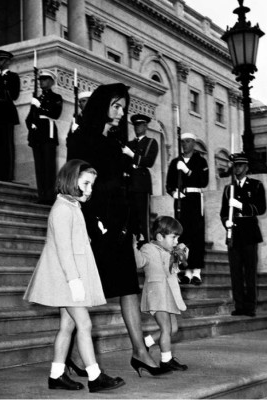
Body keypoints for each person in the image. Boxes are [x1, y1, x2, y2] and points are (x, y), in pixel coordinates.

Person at [70, 83, 170, 376]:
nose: (121, 112)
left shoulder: (115, 141)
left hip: (120, 224)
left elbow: (128, 186)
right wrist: (94, 223)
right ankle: (73, 356)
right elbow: (77, 184)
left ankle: (140, 352)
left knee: (128, 287)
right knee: (87, 291)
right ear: (102, 106)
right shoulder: (82, 139)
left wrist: (134, 225)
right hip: (96, 224)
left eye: (123, 107)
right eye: (116, 106)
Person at [24, 159, 125, 393]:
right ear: (71, 181)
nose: (90, 190)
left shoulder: (71, 207)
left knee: (67, 325)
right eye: (86, 184)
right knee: (85, 323)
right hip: (66, 278)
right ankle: (95, 375)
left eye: (92, 185)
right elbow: (63, 249)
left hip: (69, 277)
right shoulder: (62, 209)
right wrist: (74, 280)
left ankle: (56, 375)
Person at [133, 216, 188, 372]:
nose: (176, 241)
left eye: (178, 237)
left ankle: (146, 343)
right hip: (156, 294)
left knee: (173, 328)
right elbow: (139, 263)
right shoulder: (148, 248)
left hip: (168, 294)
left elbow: (173, 269)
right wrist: (134, 247)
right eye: (173, 237)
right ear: (159, 237)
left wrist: (181, 255)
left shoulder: (169, 250)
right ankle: (166, 360)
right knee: (165, 328)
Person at [219, 153, 266, 317]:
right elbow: (223, 213)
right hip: (234, 233)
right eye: (235, 166)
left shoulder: (256, 185)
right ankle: (239, 305)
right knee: (236, 272)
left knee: (250, 272)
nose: (237, 168)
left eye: (240, 166)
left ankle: (250, 306)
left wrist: (241, 205)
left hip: (249, 232)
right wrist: (226, 223)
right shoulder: (228, 189)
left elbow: (261, 208)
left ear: (246, 167)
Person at [166, 132, 209, 285]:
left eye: (188, 141)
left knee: (196, 235)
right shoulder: (175, 162)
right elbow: (169, 183)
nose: (185, 144)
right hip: (181, 201)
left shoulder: (201, 161)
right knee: (182, 235)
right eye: (183, 142)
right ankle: (185, 270)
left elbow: (203, 181)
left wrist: (187, 171)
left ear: (194, 143)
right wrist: (173, 192)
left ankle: (195, 271)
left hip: (195, 200)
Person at [26, 69, 63, 204]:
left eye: (45, 79)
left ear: (52, 82)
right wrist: (31, 126)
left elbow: (55, 114)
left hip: (48, 133)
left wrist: (40, 106)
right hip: (37, 135)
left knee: (49, 166)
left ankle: (49, 195)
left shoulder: (56, 97)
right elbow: (29, 118)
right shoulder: (37, 98)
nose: (42, 82)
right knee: (39, 166)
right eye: (41, 80)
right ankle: (42, 195)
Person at [124, 113, 159, 244]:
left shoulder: (151, 142)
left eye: (140, 125)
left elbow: (148, 161)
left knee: (143, 218)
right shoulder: (130, 143)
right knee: (130, 218)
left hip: (142, 184)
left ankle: (145, 244)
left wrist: (131, 154)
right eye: (135, 125)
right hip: (129, 183)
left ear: (145, 126)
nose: (137, 128)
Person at [0, 49, 20, 181]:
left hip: (7, 114)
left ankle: (7, 175)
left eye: (1, 60)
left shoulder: (13, 77)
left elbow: (13, 95)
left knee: (7, 146)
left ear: (8, 61)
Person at [66, 90, 92, 161]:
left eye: (83, 101)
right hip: (74, 152)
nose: (80, 104)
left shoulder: (94, 117)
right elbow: (69, 135)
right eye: (79, 102)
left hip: (87, 153)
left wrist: (80, 130)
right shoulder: (77, 117)